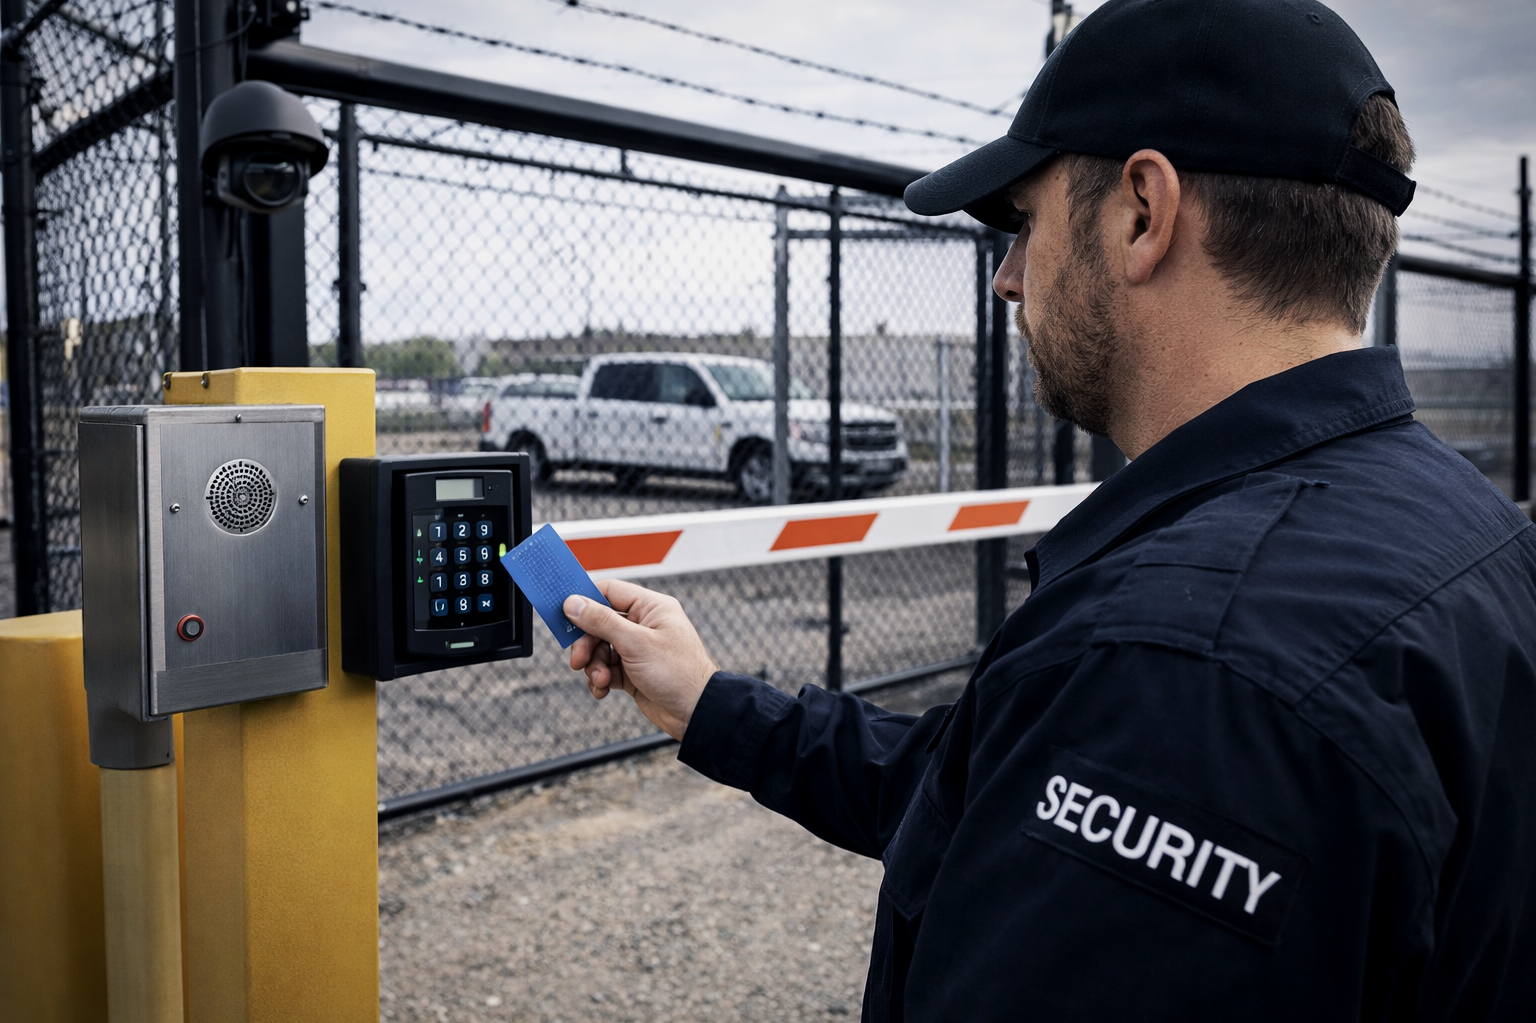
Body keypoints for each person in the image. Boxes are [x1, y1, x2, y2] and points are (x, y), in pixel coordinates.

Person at [562, 0, 1536, 1018]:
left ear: (1142, 214)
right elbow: (981, 791)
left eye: (1025, 224)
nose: (1008, 278)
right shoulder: (1473, 534)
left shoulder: (1180, 670)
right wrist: (712, 702)